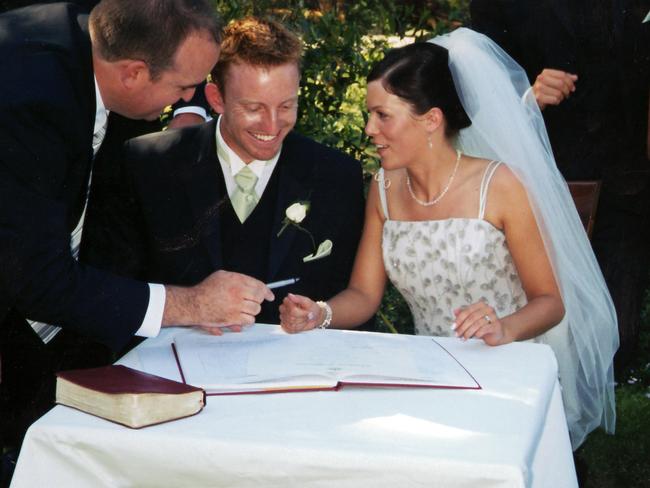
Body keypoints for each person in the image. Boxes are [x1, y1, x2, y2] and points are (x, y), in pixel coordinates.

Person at [279, 28, 619, 450]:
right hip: (429, 373)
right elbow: (365, 295)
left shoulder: (499, 185)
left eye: (383, 115)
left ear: (431, 121)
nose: (369, 128)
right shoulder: (384, 188)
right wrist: (321, 313)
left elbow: (550, 302)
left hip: (509, 369)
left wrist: (503, 327)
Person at [0, 0, 274, 459]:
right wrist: (192, 304)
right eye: (185, 88)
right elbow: (34, 279)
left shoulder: (100, 29)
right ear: (132, 73)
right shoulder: (27, 105)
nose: (188, 99)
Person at [82, 17, 365, 325]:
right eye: (254, 108)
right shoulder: (145, 164)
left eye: (286, 106)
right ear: (217, 98)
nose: (272, 126)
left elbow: (350, 301)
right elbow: (110, 287)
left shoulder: (337, 176)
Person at [470, 0, 650, 372]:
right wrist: (529, 98)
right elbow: (477, 88)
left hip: (628, 181)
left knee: (618, 336)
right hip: (543, 179)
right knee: (551, 331)